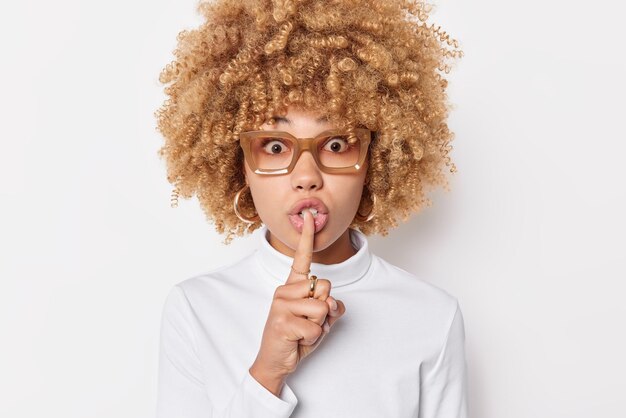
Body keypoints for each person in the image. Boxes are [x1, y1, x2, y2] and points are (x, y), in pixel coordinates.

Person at [154, 0, 467, 417]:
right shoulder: (196, 309)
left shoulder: (432, 316)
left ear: (375, 158)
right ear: (240, 166)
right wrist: (268, 373)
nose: (307, 176)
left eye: (336, 145)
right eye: (275, 145)